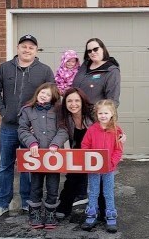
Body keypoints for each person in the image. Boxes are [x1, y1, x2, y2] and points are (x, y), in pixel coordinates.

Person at [0, 34, 55, 218]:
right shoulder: (4, 68)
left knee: (28, 166)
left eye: (31, 47)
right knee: (5, 166)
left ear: (36, 50)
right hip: (9, 127)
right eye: (24, 46)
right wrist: (2, 110)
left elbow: (52, 95)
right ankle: (1, 202)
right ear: (18, 48)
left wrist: (41, 120)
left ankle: (27, 201)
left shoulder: (44, 70)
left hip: (31, 129)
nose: (27, 50)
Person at [18, 82, 68, 229]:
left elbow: (63, 130)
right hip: (36, 157)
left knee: (53, 186)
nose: (44, 95)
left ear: (53, 98)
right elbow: (22, 130)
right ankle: (35, 213)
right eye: (42, 92)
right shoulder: (27, 110)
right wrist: (31, 142)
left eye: (48, 94)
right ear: (37, 92)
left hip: (53, 156)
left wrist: (56, 144)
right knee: (35, 186)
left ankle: (50, 213)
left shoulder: (59, 111)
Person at [81, 99, 123, 233]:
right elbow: (85, 146)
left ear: (112, 114)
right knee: (93, 191)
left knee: (108, 192)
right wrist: (89, 159)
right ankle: (92, 213)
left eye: (106, 113)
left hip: (109, 169)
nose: (103, 116)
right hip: (94, 168)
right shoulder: (92, 130)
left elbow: (118, 149)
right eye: (100, 113)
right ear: (96, 114)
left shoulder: (117, 130)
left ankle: (110, 215)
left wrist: (112, 162)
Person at [55, 87, 94, 219]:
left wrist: (120, 135)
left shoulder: (92, 113)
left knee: (98, 181)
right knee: (72, 178)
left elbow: (109, 124)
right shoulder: (65, 117)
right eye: (69, 101)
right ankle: (64, 205)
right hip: (76, 150)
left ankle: (102, 209)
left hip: (94, 150)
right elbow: (62, 132)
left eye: (77, 100)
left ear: (82, 101)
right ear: (65, 103)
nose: (73, 104)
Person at [72, 38, 120, 106]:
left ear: (103, 49)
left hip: (95, 114)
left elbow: (112, 100)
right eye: (89, 51)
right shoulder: (85, 65)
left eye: (95, 49)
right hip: (77, 111)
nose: (92, 52)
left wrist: (103, 114)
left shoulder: (111, 71)